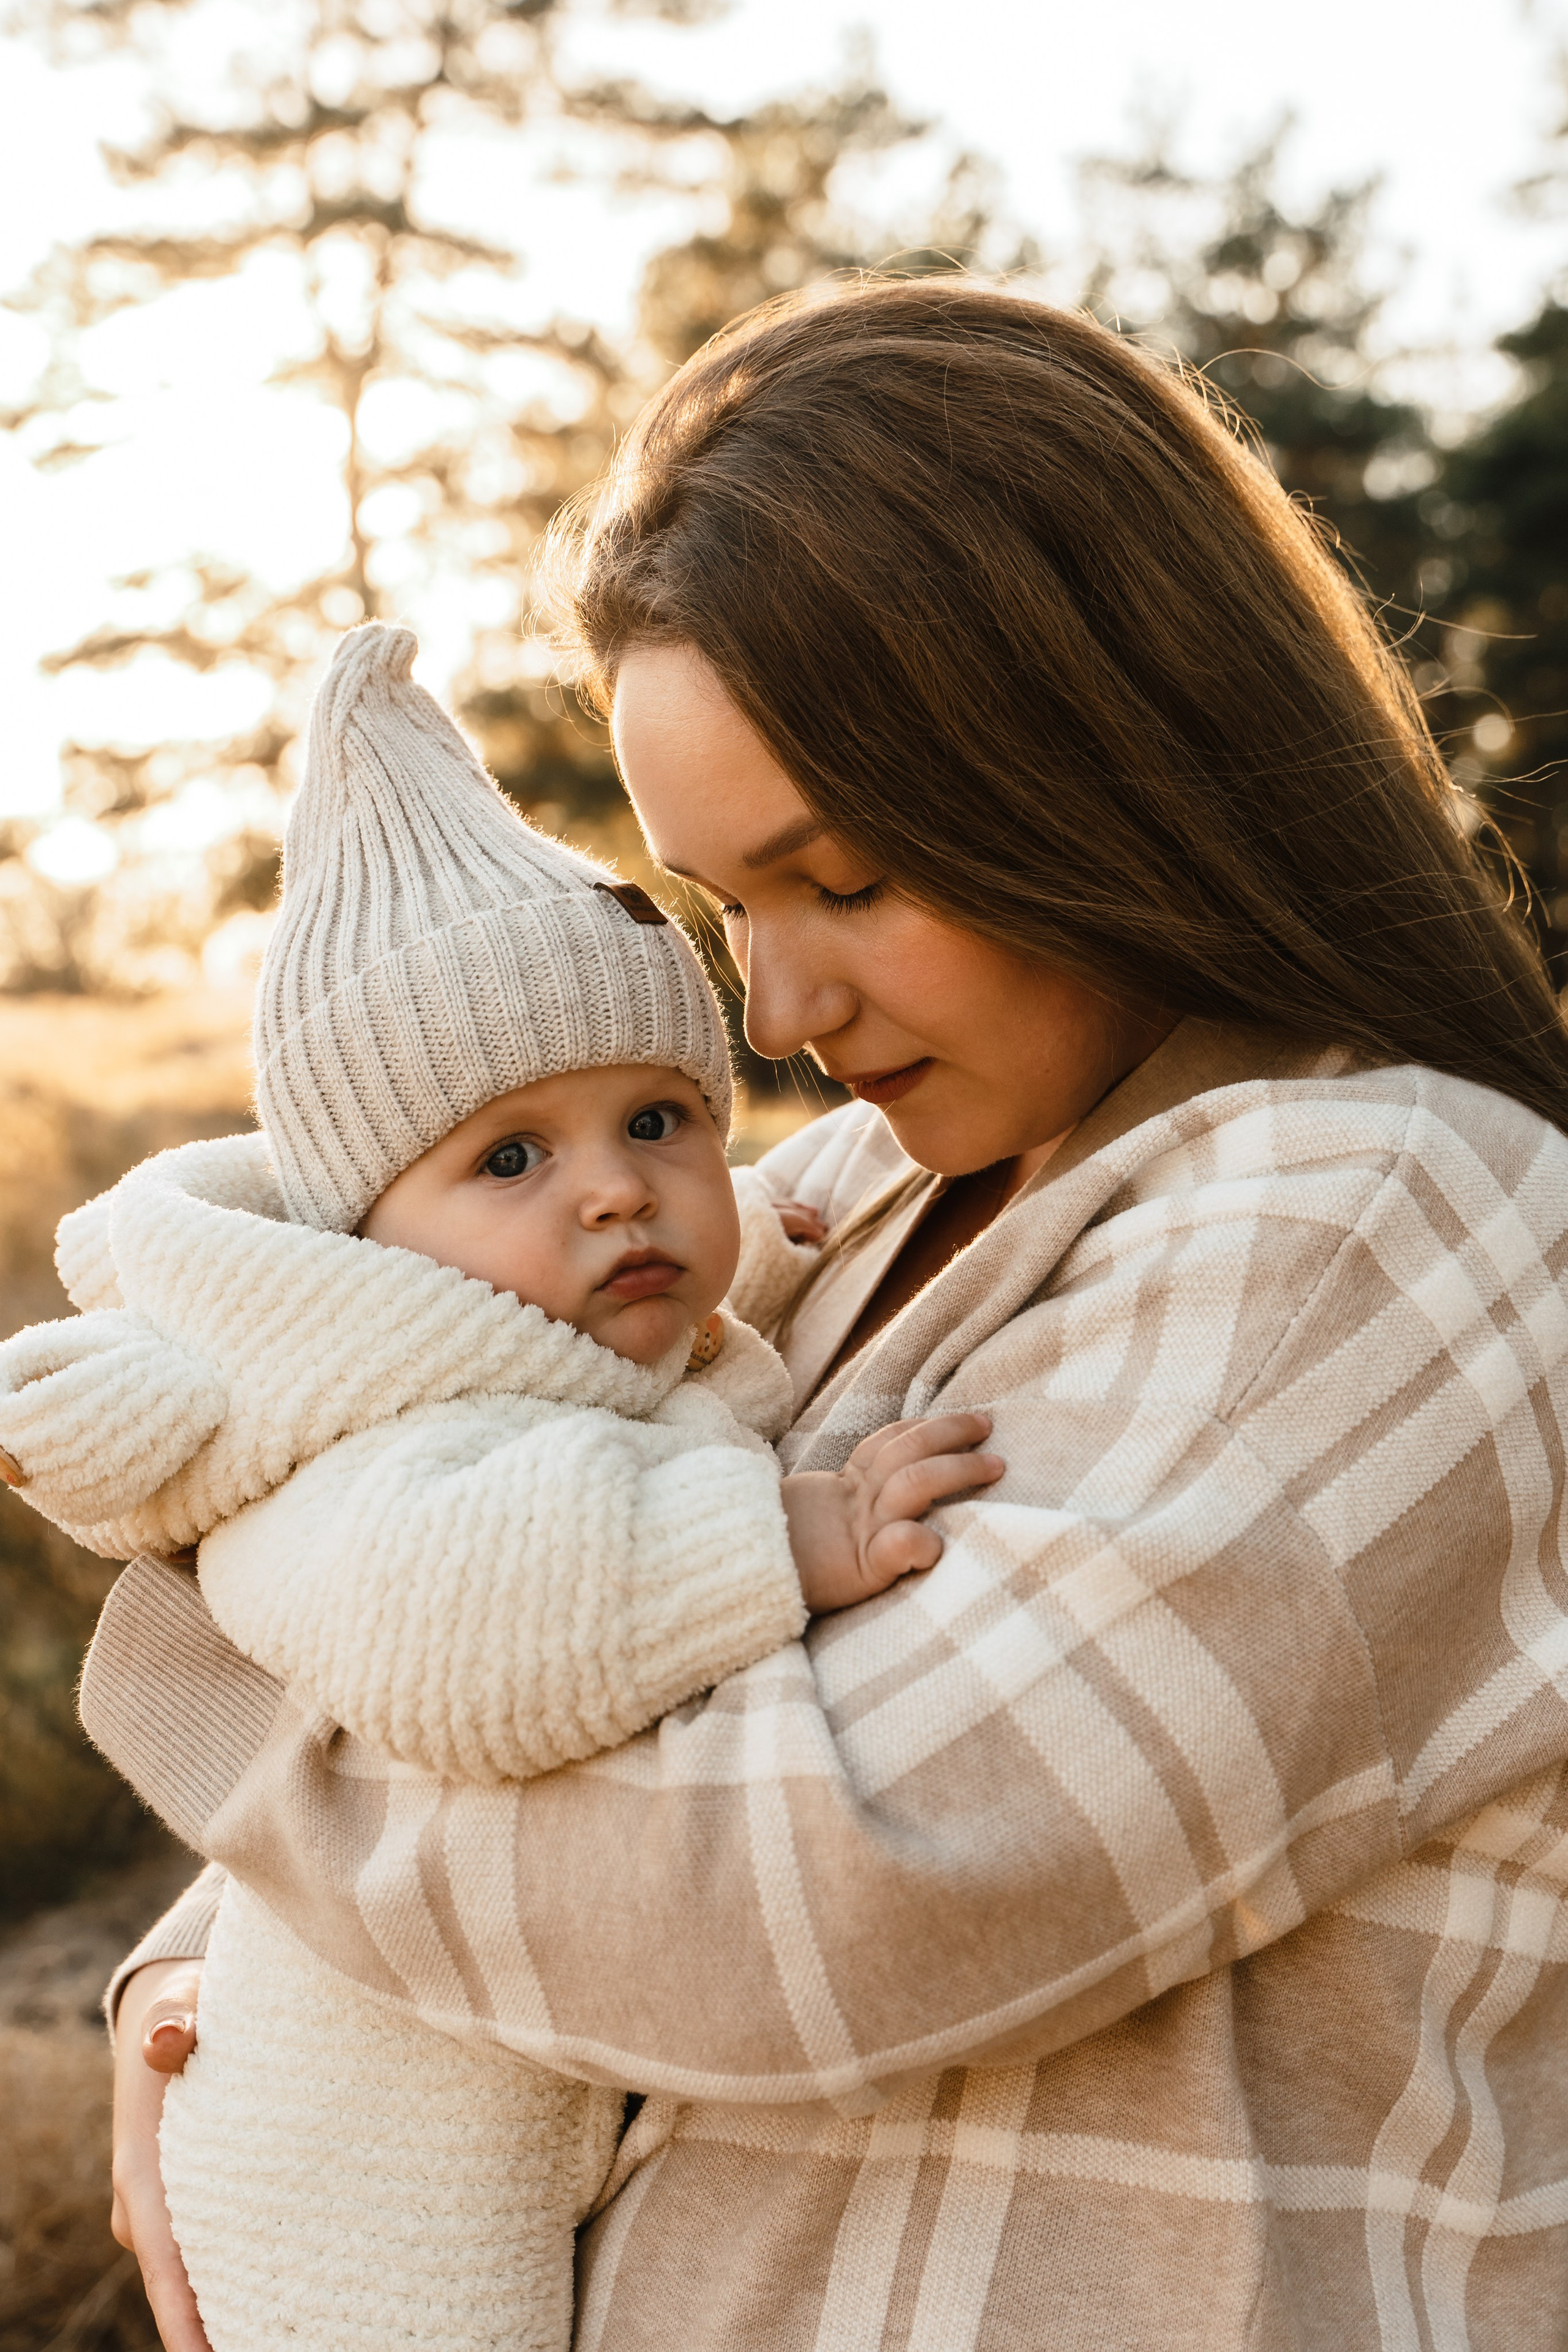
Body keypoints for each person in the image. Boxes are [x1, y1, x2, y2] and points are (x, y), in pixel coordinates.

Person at [94, 279, 1568, 2352]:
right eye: (725, 914)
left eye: (851, 878)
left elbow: (803, 1895)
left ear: (1120, 764)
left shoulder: (1385, 1214)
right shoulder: (851, 1197)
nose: (777, 1017)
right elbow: (497, 1535)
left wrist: (215, 1674)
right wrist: (211, 1986)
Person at [0, 620, 995, 2352]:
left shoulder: (567, 1311)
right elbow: (463, 1639)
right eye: (512, 1158)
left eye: (661, 1122)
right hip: (366, 2193)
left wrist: (748, 1232)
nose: (618, 1195)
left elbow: (640, 1333)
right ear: (371, 1235)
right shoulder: (358, 1442)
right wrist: (778, 1532)